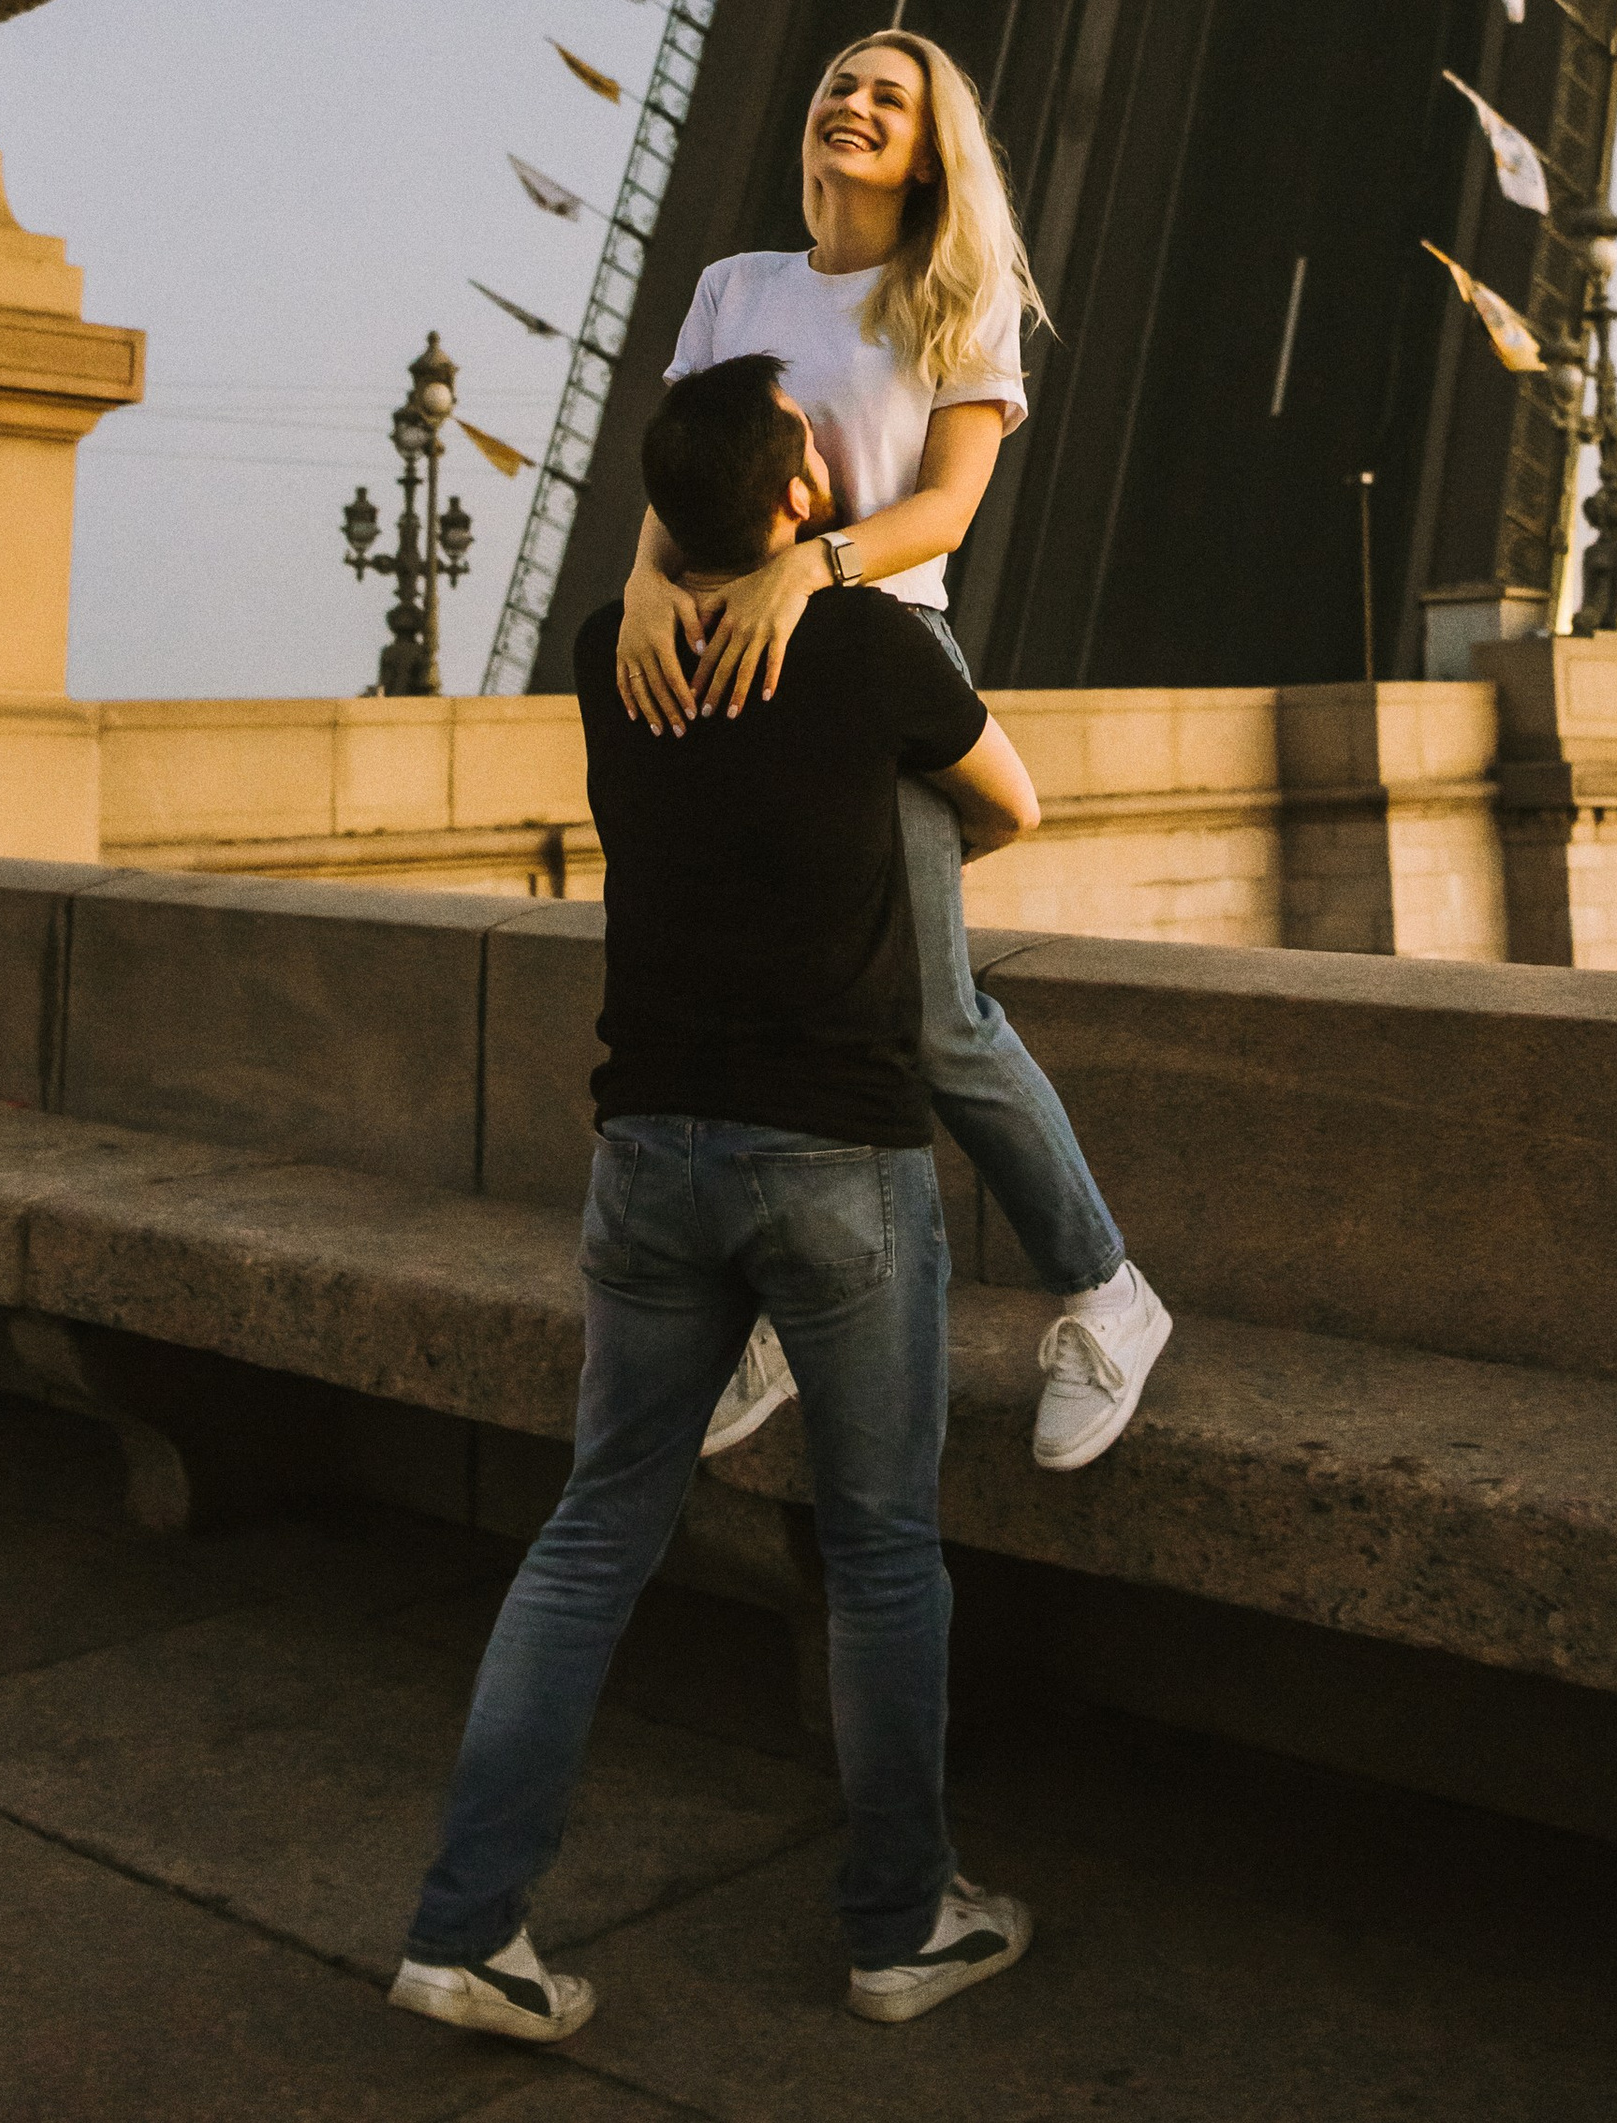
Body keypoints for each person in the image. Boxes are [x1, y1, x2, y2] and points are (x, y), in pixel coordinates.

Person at [393, 353, 1041, 2047]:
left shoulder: (607, 660)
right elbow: (1015, 807)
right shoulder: (876, 645)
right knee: (883, 1548)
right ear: (805, 494)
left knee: (595, 1527)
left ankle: (465, 1927)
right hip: (836, 1154)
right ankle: (901, 1925)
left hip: (649, 1152)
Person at [615, 28, 1171, 1476]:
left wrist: (812, 569)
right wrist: (640, 588)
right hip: (726, 666)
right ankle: (775, 1309)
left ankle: (1107, 1290)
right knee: (753, 997)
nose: (852, 104)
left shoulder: (955, 292)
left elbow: (947, 509)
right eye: (838, 85)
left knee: (934, 1020)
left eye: (890, 96)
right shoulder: (733, 287)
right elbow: (683, 465)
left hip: (875, 661)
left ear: (929, 151)